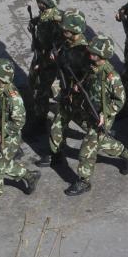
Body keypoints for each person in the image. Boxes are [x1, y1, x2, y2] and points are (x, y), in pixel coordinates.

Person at [64, 35, 128, 196]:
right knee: (100, 140)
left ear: (103, 56)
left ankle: (83, 181)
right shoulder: (92, 66)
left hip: (102, 116)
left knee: (86, 150)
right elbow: (86, 78)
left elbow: (120, 100)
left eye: (94, 54)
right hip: (89, 110)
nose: (90, 55)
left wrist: (106, 113)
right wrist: (78, 85)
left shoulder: (111, 77)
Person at [0, 59, 41, 216]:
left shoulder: (13, 98)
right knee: (4, 165)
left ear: (3, 79)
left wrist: (2, 132)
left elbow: (19, 121)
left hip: (8, 137)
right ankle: (29, 176)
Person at [37, 9, 89, 167]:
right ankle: (56, 154)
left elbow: (87, 75)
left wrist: (76, 88)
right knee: (59, 123)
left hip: (77, 95)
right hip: (68, 92)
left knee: (88, 125)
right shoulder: (68, 42)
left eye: (65, 28)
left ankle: (124, 152)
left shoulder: (82, 51)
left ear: (74, 30)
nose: (62, 29)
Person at [27, 0, 63, 132]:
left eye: (40, 0)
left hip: (48, 63)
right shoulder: (45, 15)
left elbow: (57, 47)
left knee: (41, 89)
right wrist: (34, 22)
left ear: (47, 2)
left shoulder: (55, 21)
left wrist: (42, 63)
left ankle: (40, 120)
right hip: (40, 56)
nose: (37, 2)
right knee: (33, 82)